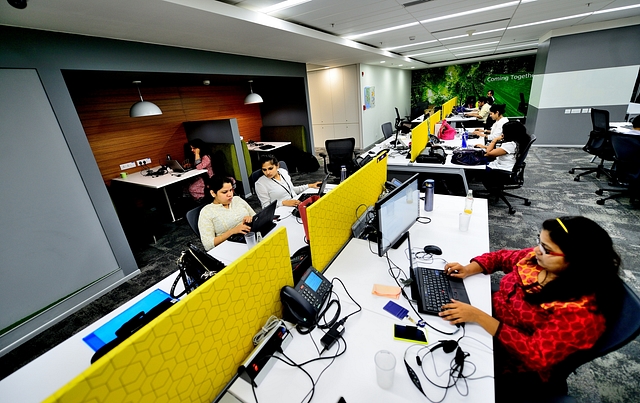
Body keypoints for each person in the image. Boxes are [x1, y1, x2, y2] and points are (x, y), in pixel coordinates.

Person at [440, 216, 623, 401]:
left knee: (440, 371)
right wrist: (469, 269)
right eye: (539, 242)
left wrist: (480, 317)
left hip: (512, 363)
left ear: (577, 260)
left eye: (547, 249)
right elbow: (501, 257)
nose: (537, 250)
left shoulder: (580, 312)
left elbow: (536, 354)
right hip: (488, 323)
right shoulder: (538, 260)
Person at [198, 176, 255, 251]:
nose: (230, 194)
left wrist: (251, 219)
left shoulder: (237, 199)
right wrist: (232, 231)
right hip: (229, 247)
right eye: (224, 192)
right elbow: (208, 245)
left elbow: (256, 216)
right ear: (213, 193)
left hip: (250, 237)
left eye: (231, 190)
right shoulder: (207, 212)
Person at [255, 154, 321, 208]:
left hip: (296, 203)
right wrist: (283, 203)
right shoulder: (260, 184)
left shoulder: (283, 172)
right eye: (264, 170)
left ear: (277, 166)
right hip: (282, 210)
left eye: (270, 168)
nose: (268, 172)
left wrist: (310, 186)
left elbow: (292, 190)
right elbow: (265, 207)